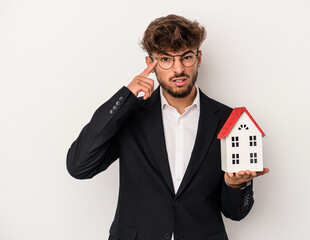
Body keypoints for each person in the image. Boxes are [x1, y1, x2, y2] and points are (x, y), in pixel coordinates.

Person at [66, 14, 269, 240]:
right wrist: (124, 97)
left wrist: (235, 185)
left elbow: (236, 213)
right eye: (166, 59)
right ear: (150, 64)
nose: (178, 69)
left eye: (186, 57)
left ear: (199, 58)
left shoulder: (228, 120)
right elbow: (79, 166)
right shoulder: (129, 115)